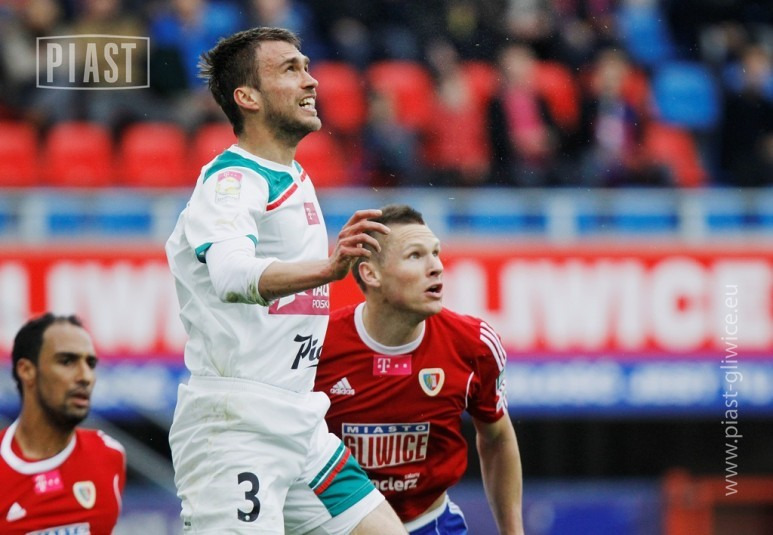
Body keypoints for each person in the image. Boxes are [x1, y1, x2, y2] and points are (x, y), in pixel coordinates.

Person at [165, 27, 406, 534]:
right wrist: (329, 269)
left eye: (307, 67)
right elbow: (231, 275)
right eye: (290, 70)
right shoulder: (232, 182)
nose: (311, 81)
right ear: (247, 97)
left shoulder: (294, 176)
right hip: (237, 429)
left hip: (301, 425)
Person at [315, 204, 525, 534]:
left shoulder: (474, 345)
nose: (436, 267)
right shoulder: (316, 345)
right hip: (333, 527)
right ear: (371, 274)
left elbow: (497, 438)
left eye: (436, 253)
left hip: (429, 524)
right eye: (415, 255)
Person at [0, 313, 126, 535]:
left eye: (90, 363)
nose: (85, 376)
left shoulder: (109, 455)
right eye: (67, 361)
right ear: (26, 370)